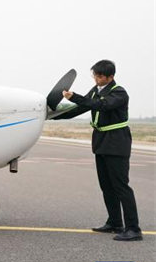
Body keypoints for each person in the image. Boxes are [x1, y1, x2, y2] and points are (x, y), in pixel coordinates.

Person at [56, 60, 142, 241]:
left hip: (117, 142)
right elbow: (81, 107)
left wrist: (74, 96)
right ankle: (115, 223)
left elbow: (101, 105)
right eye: (95, 75)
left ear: (110, 77)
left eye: (100, 76)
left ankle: (134, 229)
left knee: (121, 186)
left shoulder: (119, 92)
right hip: (101, 142)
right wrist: (52, 115)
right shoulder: (96, 90)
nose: (96, 79)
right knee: (106, 186)